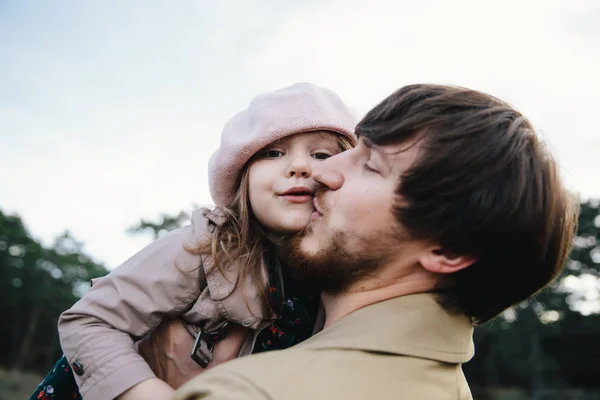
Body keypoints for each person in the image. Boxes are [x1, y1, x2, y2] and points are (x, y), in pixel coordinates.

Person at [167, 83, 578, 400]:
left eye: (371, 166)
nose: (322, 173)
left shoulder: (247, 392)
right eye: (354, 146)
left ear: (447, 252)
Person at [29, 82, 360, 400]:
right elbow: (90, 320)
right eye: (273, 153)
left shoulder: (341, 278)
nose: (299, 166)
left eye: (320, 154)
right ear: (242, 178)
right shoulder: (205, 244)